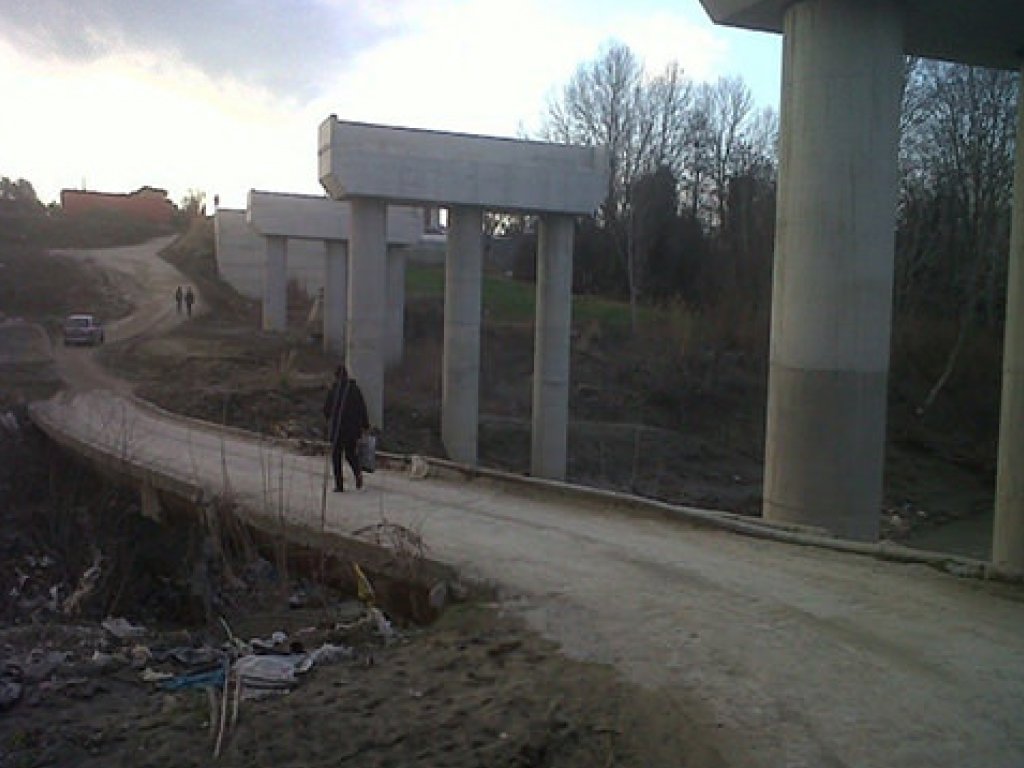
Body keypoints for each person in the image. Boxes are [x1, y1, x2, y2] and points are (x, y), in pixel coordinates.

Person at [323, 365, 370, 492]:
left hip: (338, 430)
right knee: (350, 453)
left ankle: (339, 485)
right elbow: (362, 409)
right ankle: (357, 473)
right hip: (352, 430)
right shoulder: (355, 390)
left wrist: (329, 419)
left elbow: (326, 410)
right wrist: (365, 426)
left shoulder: (334, 390)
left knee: (336, 456)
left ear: (336, 377)